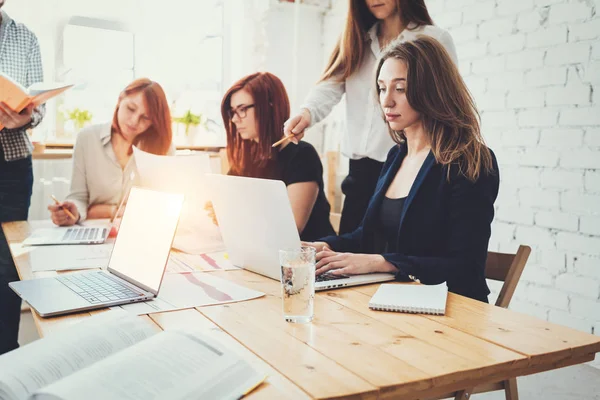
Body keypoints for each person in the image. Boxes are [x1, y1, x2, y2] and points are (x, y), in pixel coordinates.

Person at [305, 37, 499, 303]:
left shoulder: (469, 161)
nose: (387, 101)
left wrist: (383, 262)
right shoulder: (397, 155)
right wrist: (326, 246)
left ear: (432, 90)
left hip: (451, 310)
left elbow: (465, 266)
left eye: (400, 88)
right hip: (396, 301)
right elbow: (367, 235)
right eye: (382, 88)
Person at [284, 0, 458, 235]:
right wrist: (306, 114)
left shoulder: (432, 38)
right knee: (349, 255)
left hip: (408, 166)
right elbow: (329, 85)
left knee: (391, 255)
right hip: (360, 174)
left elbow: (447, 102)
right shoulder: (356, 39)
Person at [220, 72, 335, 241]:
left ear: (269, 106)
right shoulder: (247, 157)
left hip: (309, 258)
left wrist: (232, 213)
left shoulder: (302, 155)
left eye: (242, 109)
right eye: (232, 112)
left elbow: (291, 229)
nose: (235, 120)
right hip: (264, 250)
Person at [49, 78, 174, 226]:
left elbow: (162, 205)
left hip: (141, 231)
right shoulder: (87, 139)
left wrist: (101, 210)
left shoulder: (163, 148)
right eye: (131, 109)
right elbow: (79, 197)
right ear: (120, 99)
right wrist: (73, 211)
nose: (134, 121)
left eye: (145, 118)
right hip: (93, 234)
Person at [0, 1, 45, 354]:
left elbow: (38, 104)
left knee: (8, 268)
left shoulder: (25, 38)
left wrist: (26, 117)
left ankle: (7, 358)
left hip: (12, 166)